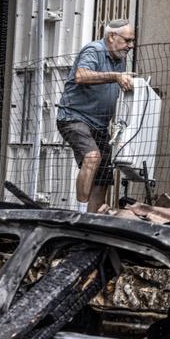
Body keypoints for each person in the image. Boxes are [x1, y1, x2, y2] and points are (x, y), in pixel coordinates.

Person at [56, 19, 135, 213]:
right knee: (92, 157)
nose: (131, 46)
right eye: (127, 40)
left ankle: (94, 219)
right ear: (111, 37)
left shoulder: (120, 59)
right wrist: (116, 77)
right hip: (74, 117)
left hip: (100, 124)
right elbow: (81, 76)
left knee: (104, 174)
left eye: (132, 41)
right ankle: (80, 213)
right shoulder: (94, 50)